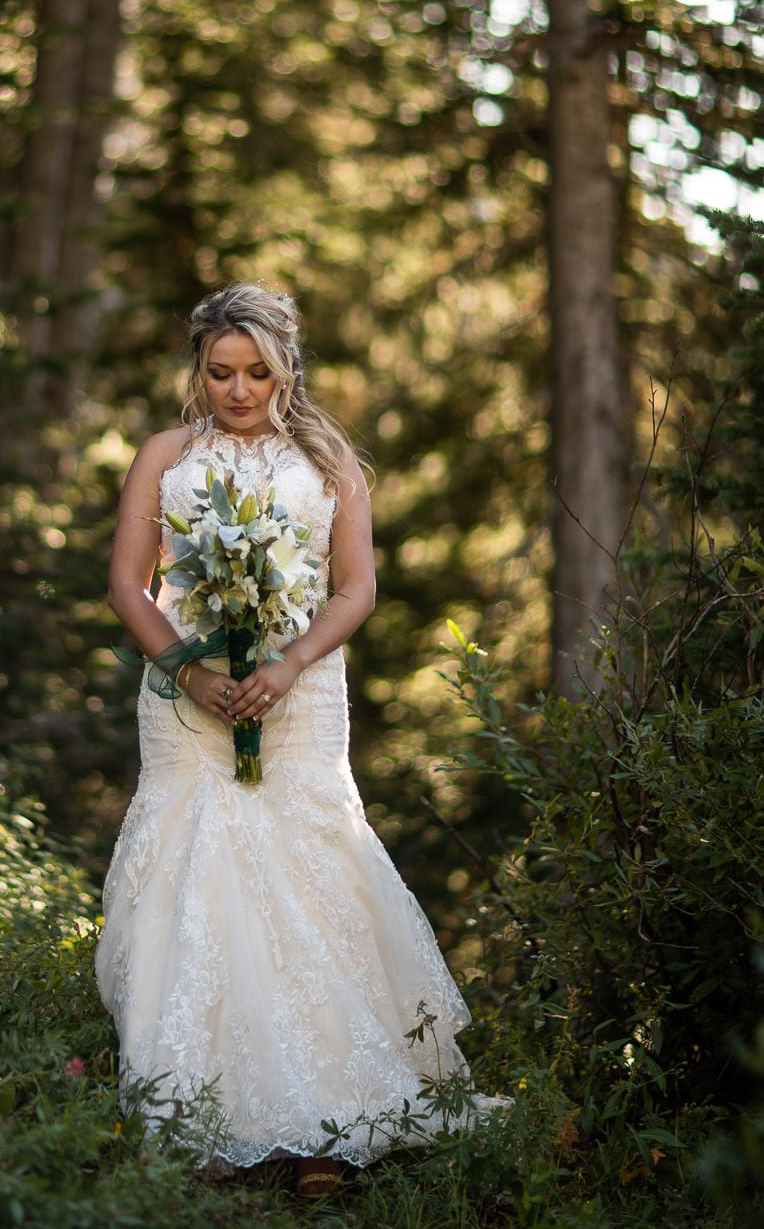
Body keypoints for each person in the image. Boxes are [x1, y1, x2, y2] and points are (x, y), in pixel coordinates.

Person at [96, 285, 510, 1196]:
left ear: (286, 369)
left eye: (257, 372)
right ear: (197, 369)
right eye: (220, 372)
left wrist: (285, 667)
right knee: (193, 862)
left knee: (308, 870)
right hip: (185, 693)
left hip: (301, 690)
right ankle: (198, 1111)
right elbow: (131, 586)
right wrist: (190, 673)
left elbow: (355, 589)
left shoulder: (329, 465)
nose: (238, 391)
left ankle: (330, 1124)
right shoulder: (164, 456)